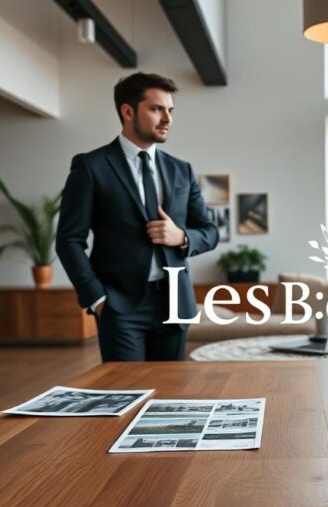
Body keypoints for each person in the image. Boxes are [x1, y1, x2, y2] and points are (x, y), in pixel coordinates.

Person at [56, 72, 218, 362]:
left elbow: (209, 231)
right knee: (128, 395)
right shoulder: (91, 167)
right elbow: (69, 240)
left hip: (174, 303)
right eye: (156, 109)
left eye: (170, 110)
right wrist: (98, 299)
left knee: (170, 399)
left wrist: (181, 237)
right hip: (119, 306)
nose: (167, 119)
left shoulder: (182, 170)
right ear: (128, 111)